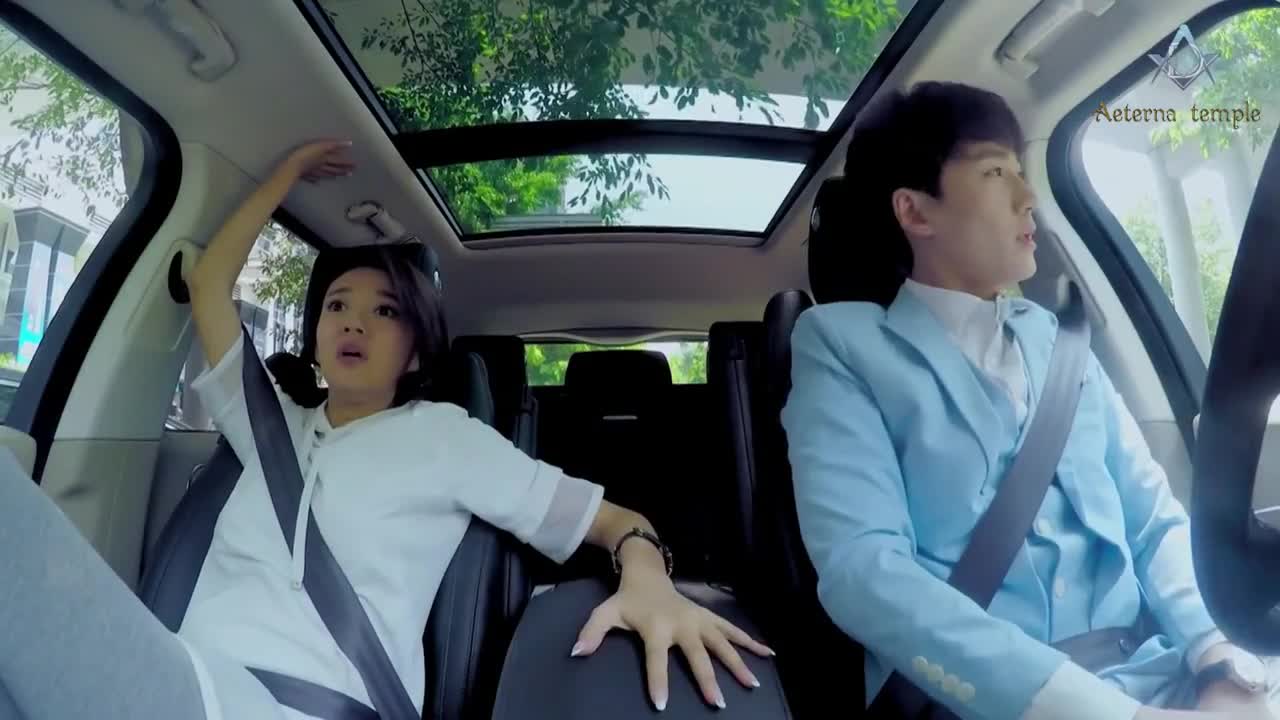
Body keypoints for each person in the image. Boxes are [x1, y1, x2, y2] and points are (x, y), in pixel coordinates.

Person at [0, 139, 771, 720]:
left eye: (385, 310)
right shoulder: (265, 421)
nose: (354, 322)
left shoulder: (448, 438)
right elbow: (209, 284)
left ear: (417, 350)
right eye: (337, 306)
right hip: (181, 677)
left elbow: (617, 522)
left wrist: (648, 580)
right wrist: (283, 170)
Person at [781, 80, 1280, 720]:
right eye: (996, 172)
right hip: (983, 704)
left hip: (1162, 673)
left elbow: (1153, 519)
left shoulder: (1060, 341)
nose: (1029, 197)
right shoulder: (841, 345)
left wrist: (1220, 659)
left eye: (1022, 171)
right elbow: (866, 571)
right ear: (916, 212)